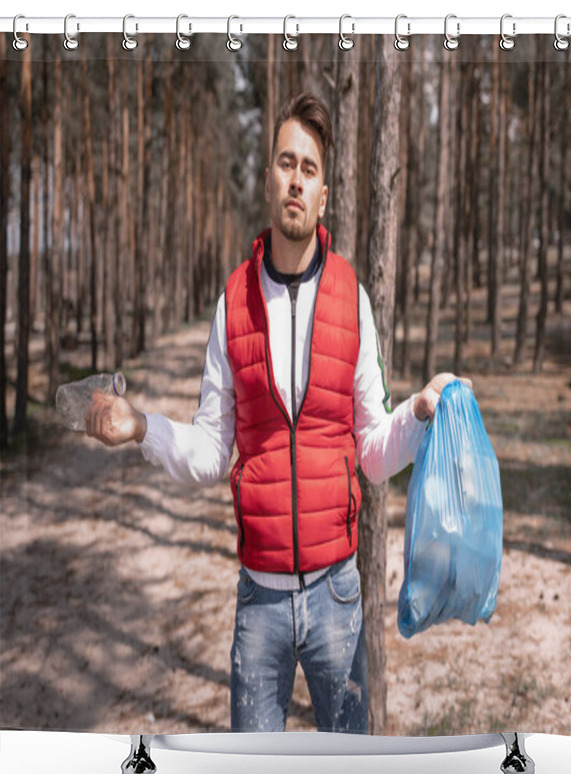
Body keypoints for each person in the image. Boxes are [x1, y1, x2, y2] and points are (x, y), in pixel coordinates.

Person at [86, 92, 471, 735]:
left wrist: (421, 410)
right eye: (286, 163)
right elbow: (212, 451)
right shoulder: (232, 301)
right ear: (269, 178)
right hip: (258, 602)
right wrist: (141, 428)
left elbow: (373, 452)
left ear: (323, 195)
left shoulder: (353, 296)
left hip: (338, 596)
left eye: (310, 169)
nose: (296, 179)